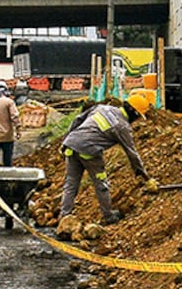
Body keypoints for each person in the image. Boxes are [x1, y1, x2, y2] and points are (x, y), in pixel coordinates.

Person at [59, 94, 158, 226]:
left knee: (71, 184)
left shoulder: (103, 108)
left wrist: (67, 140)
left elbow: (78, 119)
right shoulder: (122, 127)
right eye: (139, 116)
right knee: (101, 184)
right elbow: (132, 154)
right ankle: (108, 216)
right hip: (90, 152)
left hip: (71, 146)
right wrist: (147, 178)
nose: (138, 119)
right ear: (134, 112)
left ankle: (64, 216)